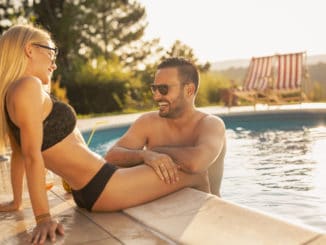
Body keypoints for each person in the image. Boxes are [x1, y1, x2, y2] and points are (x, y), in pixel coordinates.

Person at [0, 25, 208, 245]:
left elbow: (19, 153)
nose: (54, 62)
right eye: (50, 53)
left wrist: (16, 202)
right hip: (106, 186)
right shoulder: (27, 87)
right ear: (29, 50)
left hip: (91, 188)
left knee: (165, 162)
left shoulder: (14, 93)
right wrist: (43, 218)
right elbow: (31, 156)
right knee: (198, 173)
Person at [105, 57, 226, 196]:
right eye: (154, 89)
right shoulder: (148, 122)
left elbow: (196, 164)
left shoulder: (211, 124)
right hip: (162, 208)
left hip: (207, 210)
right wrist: (144, 155)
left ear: (189, 90)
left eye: (163, 89)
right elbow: (111, 157)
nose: (156, 96)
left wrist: (156, 151)